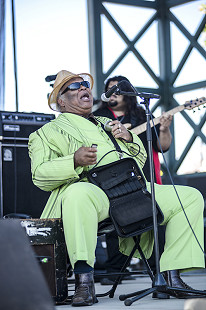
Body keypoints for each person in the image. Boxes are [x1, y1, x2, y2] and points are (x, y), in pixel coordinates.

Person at [28, 70, 205, 307]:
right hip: (93, 191)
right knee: (77, 194)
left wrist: (130, 138)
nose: (84, 88)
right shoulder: (44, 133)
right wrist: (74, 160)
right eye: (75, 86)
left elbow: (139, 158)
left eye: (85, 85)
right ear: (60, 100)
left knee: (190, 197)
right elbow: (39, 175)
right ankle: (84, 281)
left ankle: (173, 276)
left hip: (131, 189)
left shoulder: (106, 124)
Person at [93, 75, 172, 285]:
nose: (113, 94)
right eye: (109, 90)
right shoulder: (98, 115)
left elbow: (162, 147)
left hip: (143, 172)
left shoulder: (142, 114)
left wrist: (164, 128)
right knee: (116, 216)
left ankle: (159, 271)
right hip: (114, 174)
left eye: (117, 90)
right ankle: (115, 269)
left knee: (154, 217)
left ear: (128, 93)